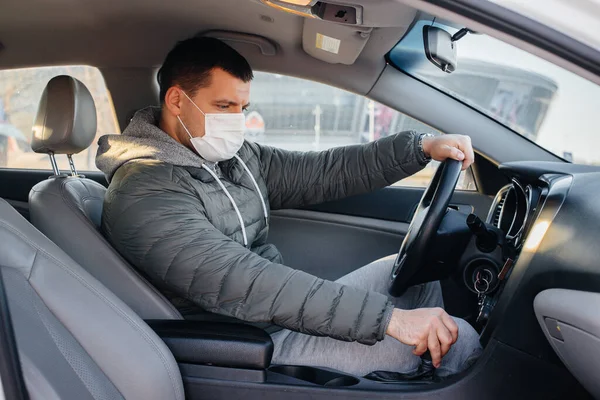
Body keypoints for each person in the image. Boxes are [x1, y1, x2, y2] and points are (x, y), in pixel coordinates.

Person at [96, 37, 481, 377]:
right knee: (458, 340)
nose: (236, 121)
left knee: (416, 275)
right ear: (177, 100)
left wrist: (421, 147)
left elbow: (321, 171)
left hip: (274, 319)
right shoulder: (144, 192)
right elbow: (244, 280)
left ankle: (424, 378)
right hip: (250, 344)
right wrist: (391, 321)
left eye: (242, 107)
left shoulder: (231, 158)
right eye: (224, 105)